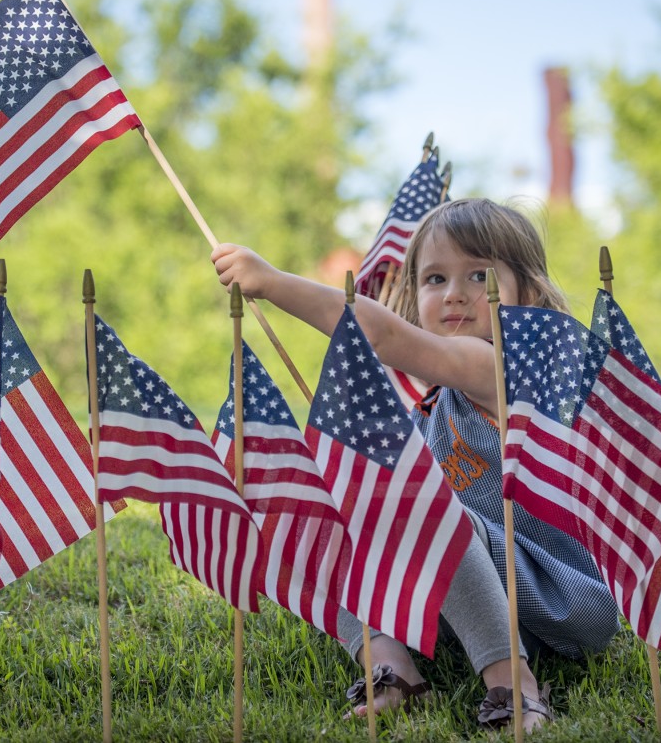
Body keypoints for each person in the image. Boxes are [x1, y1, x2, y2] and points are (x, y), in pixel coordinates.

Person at [211, 198, 619, 732]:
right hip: (474, 606)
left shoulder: (503, 365)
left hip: (562, 601)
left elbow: (381, 337)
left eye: (478, 275)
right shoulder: (434, 403)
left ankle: (512, 684)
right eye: (434, 279)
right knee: (326, 513)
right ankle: (391, 667)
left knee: (426, 504)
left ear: (529, 296)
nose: (454, 293)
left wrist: (272, 282)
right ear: (414, 293)